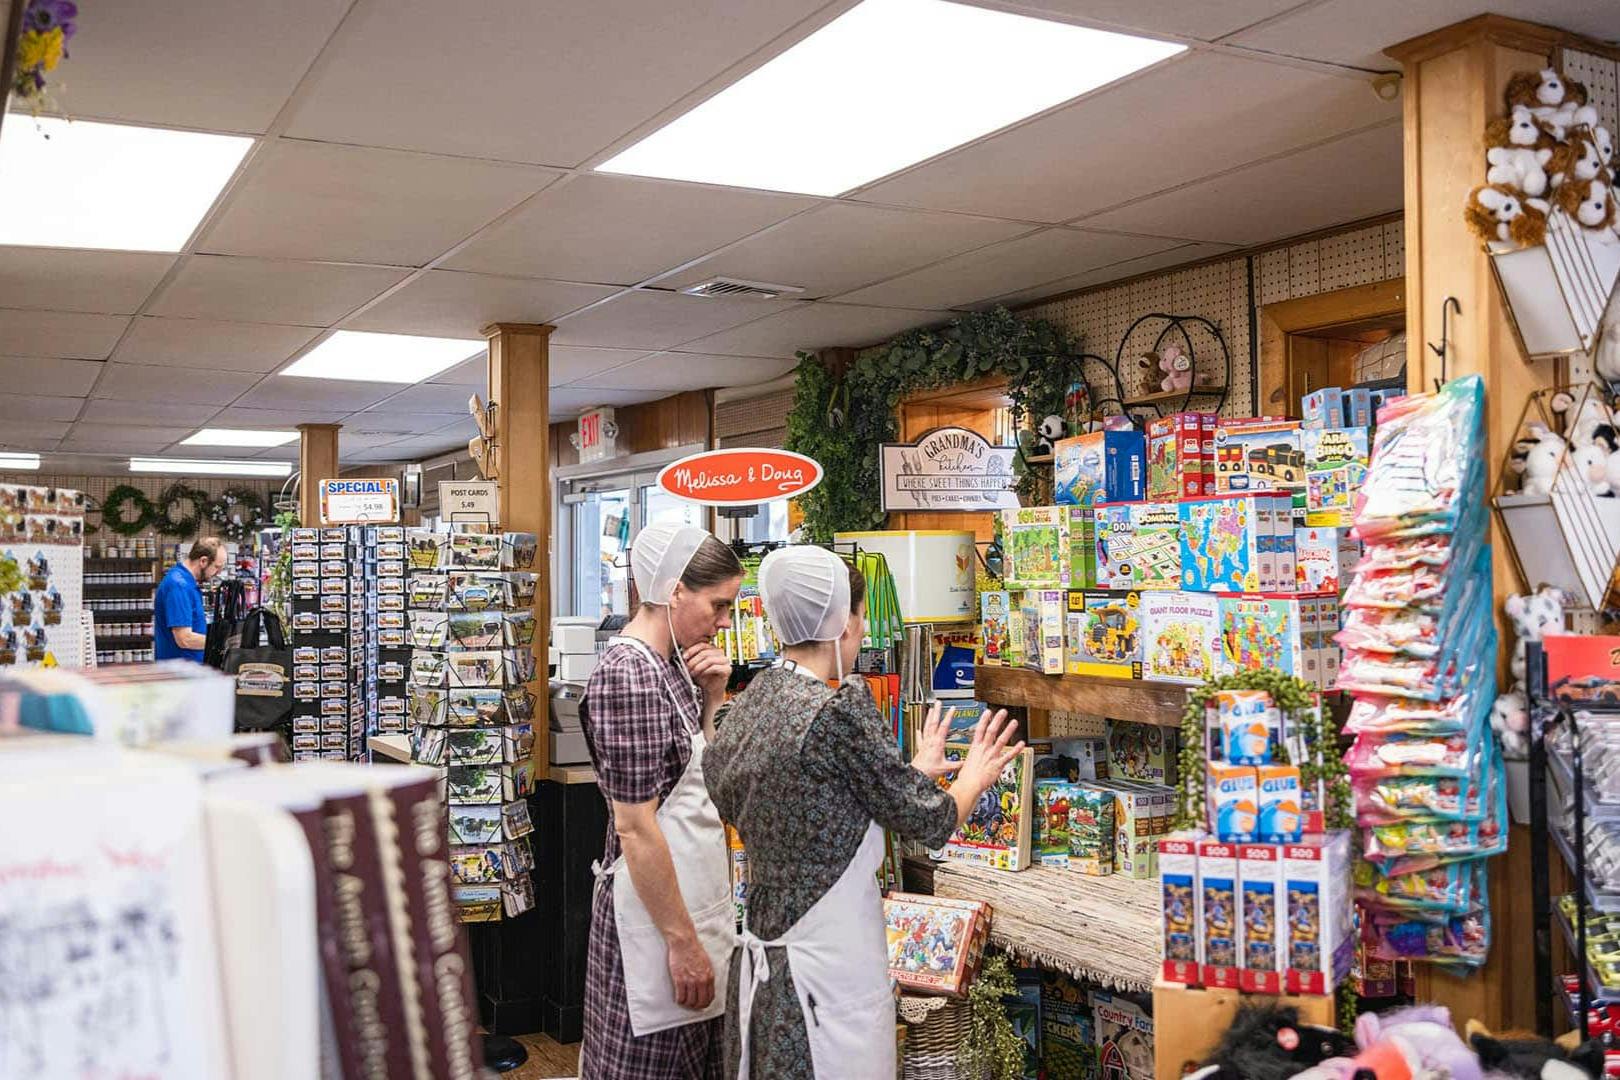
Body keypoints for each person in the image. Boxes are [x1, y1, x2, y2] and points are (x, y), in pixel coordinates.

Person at [704, 545, 1023, 1080]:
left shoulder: (756, 700)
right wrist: (974, 777)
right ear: (845, 623)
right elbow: (933, 821)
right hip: (830, 971)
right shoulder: (838, 709)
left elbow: (820, 809)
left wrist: (912, 773)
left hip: (766, 956)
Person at [579, 522, 745, 1080]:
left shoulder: (675, 665)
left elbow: (708, 781)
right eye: (718, 605)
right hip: (655, 933)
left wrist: (714, 698)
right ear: (674, 590)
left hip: (692, 911)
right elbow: (636, 828)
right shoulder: (628, 676)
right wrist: (683, 944)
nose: (724, 622)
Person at [153, 536, 225, 663]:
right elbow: (184, 639)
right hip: (179, 675)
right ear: (203, 561)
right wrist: (222, 643)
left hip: (188, 670)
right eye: (217, 567)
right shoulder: (179, 586)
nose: (218, 573)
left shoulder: (187, 582)